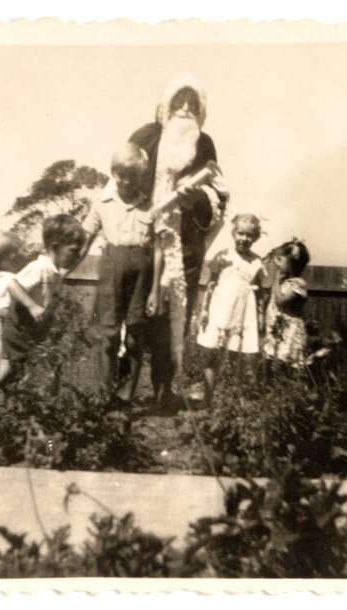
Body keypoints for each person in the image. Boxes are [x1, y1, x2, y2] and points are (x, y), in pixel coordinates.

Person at [130, 75, 229, 408]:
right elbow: (122, 178)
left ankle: (164, 387)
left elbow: (219, 195)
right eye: (178, 102)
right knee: (136, 311)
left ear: (201, 111)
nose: (185, 110)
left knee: (175, 317)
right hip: (142, 238)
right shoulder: (145, 137)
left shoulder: (205, 145)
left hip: (184, 244)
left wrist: (196, 200)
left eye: (192, 104)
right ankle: (121, 388)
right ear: (166, 106)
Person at [77, 143, 155, 404]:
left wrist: (156, 288)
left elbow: (161, 249)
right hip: (111, 267)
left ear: (141, 176)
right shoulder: (101, 203)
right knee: (107, 334)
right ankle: (102, 392)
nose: (125, 180)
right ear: (113, 172)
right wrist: (65, 267)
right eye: (120, 174)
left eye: (132, 175)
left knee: (135, 335)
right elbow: (84, 237)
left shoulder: (150, 206)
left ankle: (126, 395)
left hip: (142, 270)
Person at [0, 215, 85, 388]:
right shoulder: (39, 268)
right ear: (55, 247)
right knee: (15, 371)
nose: (76, 257)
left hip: (30, 330)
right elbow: (12, 285)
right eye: (73, 251)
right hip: (17, 330)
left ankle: (1, 397)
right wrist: (31, 306)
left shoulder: (54, 273)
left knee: (20, 373)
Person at [195, 214, 265, 408]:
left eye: (250, 235)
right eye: (240, 233)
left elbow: (259, 293)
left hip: (242, 314)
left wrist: (259, 316)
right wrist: (204, 310)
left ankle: (229, 399)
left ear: (256, 238)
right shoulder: (223, 256)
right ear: (233, 233)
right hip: (220, 309)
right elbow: (210, 284)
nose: (244, 238)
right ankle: (207, 399)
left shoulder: (256, 262)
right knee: (213, 356)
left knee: (235, 356)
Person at [262, 238, 311, 371]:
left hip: (289, 331)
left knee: (283, 363)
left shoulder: (298, 284)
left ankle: (285, 388)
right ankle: (271, 389)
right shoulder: (284, 282)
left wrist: (276, 281)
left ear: (292, 263)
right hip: (277, 328)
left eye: (280, 260)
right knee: (272, 361)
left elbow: (281, 300)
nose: (276, 263)